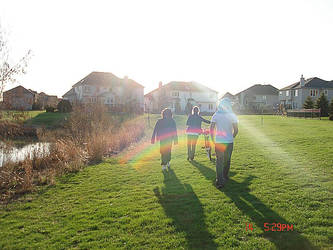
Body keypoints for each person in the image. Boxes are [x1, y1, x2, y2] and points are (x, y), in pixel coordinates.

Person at [210, 98, 238, 188]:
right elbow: (236, 130)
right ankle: (225, 176)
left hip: (219, 141)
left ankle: (220, 180)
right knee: (227, 160)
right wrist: (231, 137)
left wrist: (212, 139)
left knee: (219, 161)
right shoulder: (232, 115)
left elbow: (211, 129)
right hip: (229, 141)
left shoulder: (216, 115)